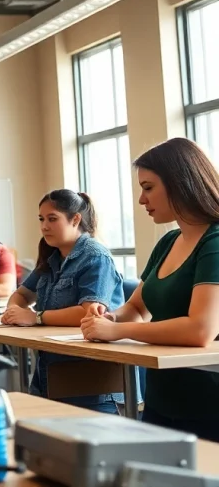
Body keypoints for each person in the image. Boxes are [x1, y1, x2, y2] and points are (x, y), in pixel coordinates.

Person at [82, 138, 219, 439]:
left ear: (180, 183)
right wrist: (111, 319)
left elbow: (200, 330)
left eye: (148, 187)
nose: (142, 200)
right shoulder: (168, 242)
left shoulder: (215, 242)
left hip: (208, 405)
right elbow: (136, 308)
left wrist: (120, 331)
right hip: (162, 398)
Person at [0, 189, 124, 412]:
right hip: (50, 373)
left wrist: (35, 317)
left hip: (90, 382)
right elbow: (20, 294)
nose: (44, 226)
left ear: (75, 219)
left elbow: (89, 313)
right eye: (41, 219)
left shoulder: (96, 256)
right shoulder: (53, 257)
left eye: (52, 219)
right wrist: (13, 311)